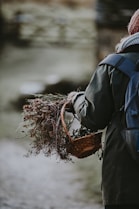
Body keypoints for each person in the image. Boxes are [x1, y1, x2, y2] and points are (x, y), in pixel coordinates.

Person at [67, 9, 139, 209]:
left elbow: (93, 117)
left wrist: (76, 99)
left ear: (132, 31)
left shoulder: (114, 65)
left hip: (124, 164)